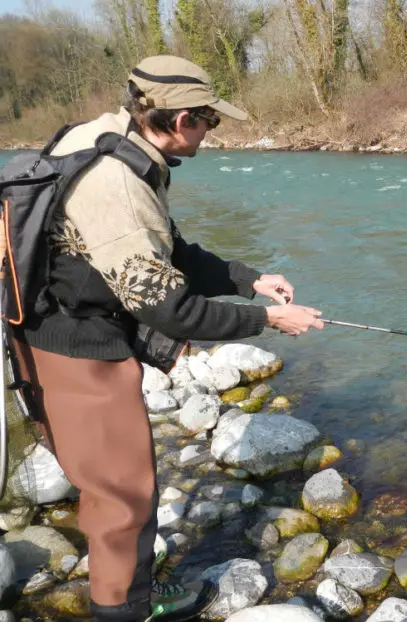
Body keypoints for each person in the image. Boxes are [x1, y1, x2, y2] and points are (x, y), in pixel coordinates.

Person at [10, 55, 324, 622]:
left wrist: (248, 280)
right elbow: (170, 308)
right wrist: (270, 322)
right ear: (182, 120)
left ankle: (123, 593)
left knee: (114, 487)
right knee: (124, 498)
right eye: (211, 120)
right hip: (74, 346)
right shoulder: (119, 188)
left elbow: (170, 252)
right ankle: (126, 609)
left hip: (58, 327)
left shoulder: (111, 134)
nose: (212, 131)